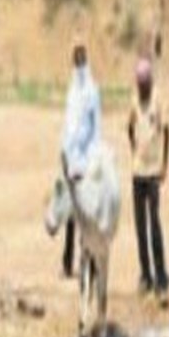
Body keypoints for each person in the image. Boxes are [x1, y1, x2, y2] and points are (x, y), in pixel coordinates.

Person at [127, 58, 169, 305]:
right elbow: (129, 127)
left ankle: (161, 278)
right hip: (137, 172)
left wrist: (164, 163)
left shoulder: (158, 99)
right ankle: (146, 275)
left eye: (145, 84)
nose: (142, 88)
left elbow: (166, 131)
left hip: (154, 171)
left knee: (154, 224)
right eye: (139, 84)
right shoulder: (134, 100)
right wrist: (134, 151)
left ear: (150, 82)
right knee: (140, 226)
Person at [60, 39, 102, 277]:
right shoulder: (72, 91)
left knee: (89, 215)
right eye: (75, 61)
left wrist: (93, 159)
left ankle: (92, 261)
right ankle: (67, 261)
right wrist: (64, 153)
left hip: (86, 160)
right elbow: (68, 125)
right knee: (71, 214)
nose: (77, 65)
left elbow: (96, 128)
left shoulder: (91, 91)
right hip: (71, 160)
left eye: (80, 60)